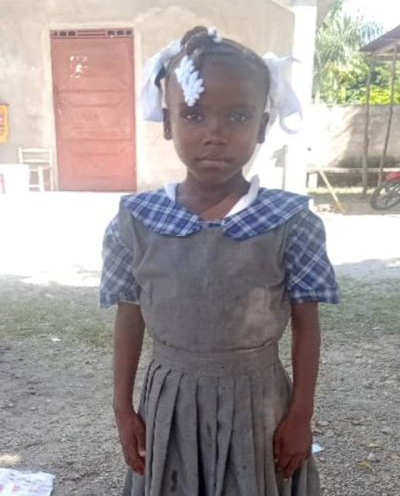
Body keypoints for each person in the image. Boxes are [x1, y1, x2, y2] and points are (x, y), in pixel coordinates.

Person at [100, 26, 339, 496]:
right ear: (168, 123)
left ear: (262, 126)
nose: (215, 134)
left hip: (257, 406)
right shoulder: (137, 221)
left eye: (238, 116)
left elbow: (306, 325)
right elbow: (130, 317)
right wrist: (123, 408)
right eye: (193, 114)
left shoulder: (290, 221)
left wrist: (300, 415)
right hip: (170, 404)